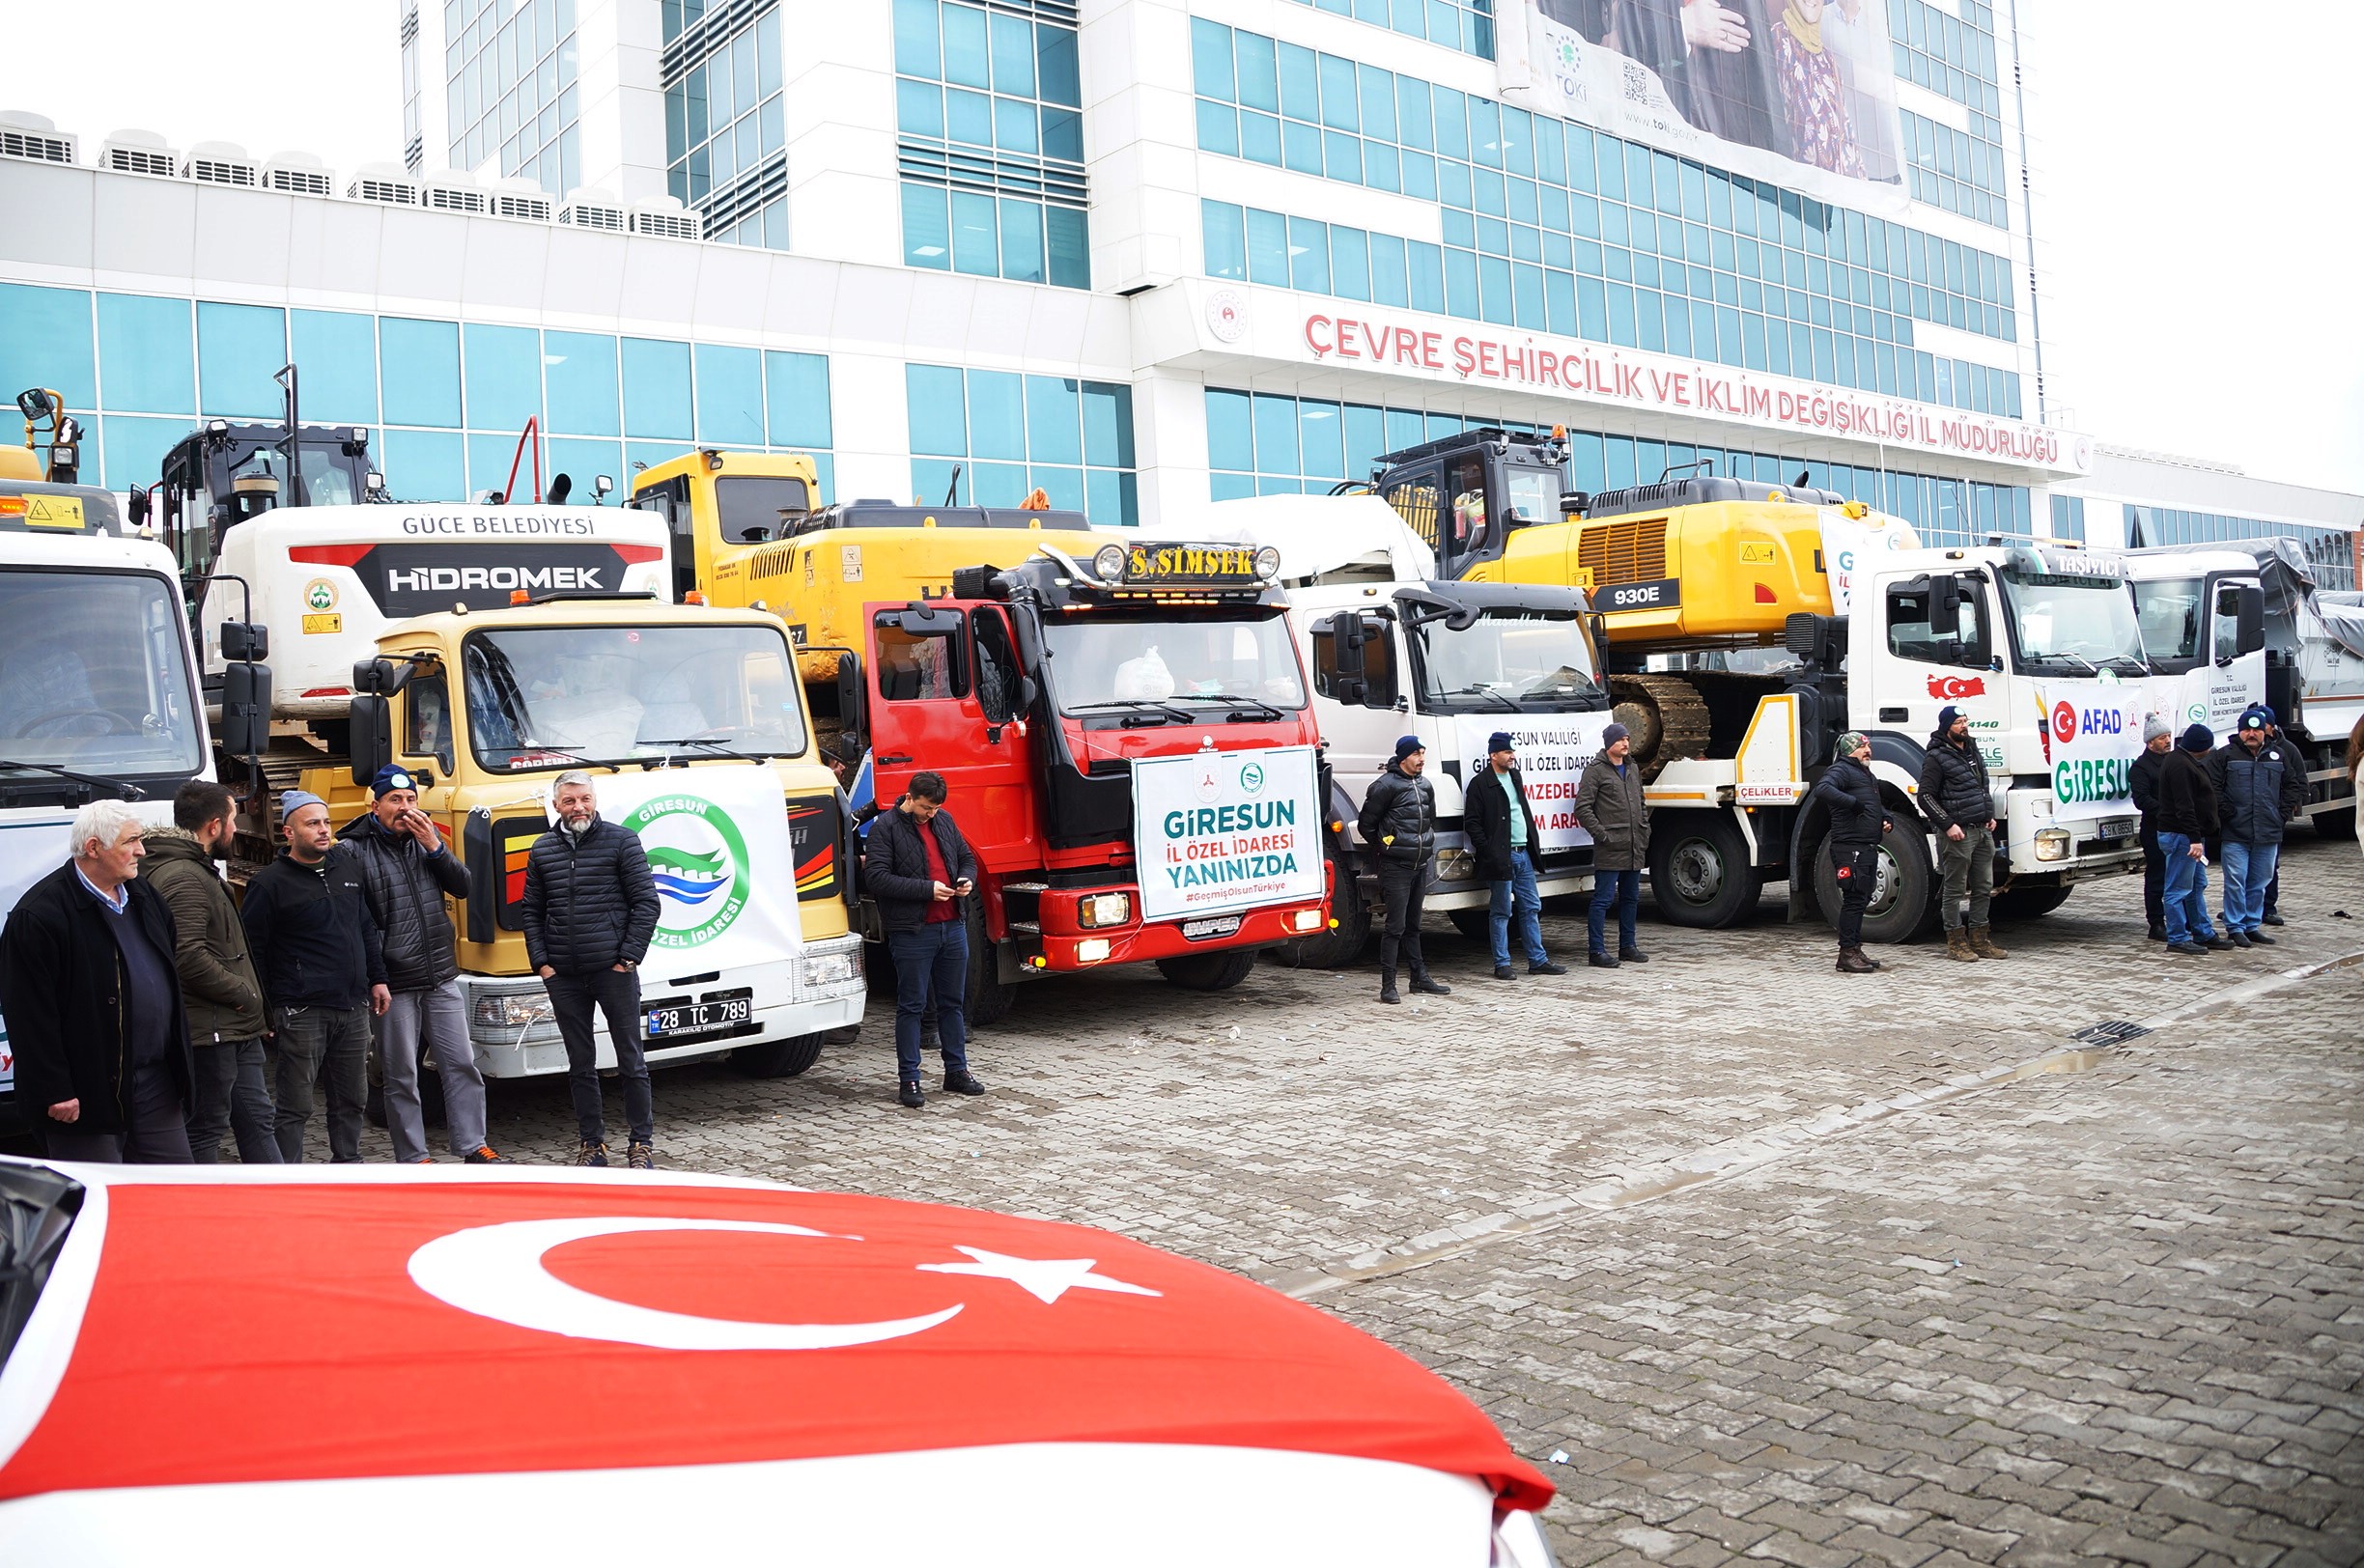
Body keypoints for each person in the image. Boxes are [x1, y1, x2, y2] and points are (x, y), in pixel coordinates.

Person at [0, 799, 195, 1162]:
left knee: (172, 1186)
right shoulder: (40, 915)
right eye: (130, 841)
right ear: (94, 848)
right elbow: (28, 1014)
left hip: (155, 1082)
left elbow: (166, 964)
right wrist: (55, 1089)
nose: (141, 850)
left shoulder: (144, 896)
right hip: (84, 1089)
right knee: (98, 1193)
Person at [341, 765, 502, 1165]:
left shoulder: (425, 841)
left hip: (440, 976)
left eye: (411, 799)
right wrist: (373, 975)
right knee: (401, 1075)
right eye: (395, 800)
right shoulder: (352, 849)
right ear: (375, 805)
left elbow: (463, 886)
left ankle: (472, 1144)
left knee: (461, 1063)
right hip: (393, 982)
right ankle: (413, 1156)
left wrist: (434, 846)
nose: (405, 807)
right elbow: (354, 922)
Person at [520, 770, 663, 1165]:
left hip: (612, 971)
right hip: (563, 975)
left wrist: (628, 958)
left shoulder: (622, 840)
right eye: (569, 800)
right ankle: (592, 1144)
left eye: (584, 798)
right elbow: (531, 910)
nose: (577, 807)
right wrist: (542, 963)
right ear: (556, 805)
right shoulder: (543, 848)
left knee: (631, 1060)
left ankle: (641, 1143)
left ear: (594, 800)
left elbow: (647, 903)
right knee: (580, 1064)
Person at [243, 791, 385, 1162]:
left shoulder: (347, 870)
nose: (324, 831)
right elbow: (254, 951)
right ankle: (288, 1177)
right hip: (302, 1010)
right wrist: (267, 1008)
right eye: (312, 824)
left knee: (352, 1099)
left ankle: (348, 1168)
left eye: (325, 822)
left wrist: (377, 978)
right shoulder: (269, 884)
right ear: (288, 833)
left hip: (353, 1007)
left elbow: (366, 927)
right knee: (295, 1105)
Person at [142, 781, 277, 1163]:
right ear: (215, 826)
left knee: (258, 1119)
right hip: (212, 1031)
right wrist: (244, 994)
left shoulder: (195, 869)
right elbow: (186, 956)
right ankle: (196, 1213)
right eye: (234, 820)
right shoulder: (185, 877)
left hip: (234, 1028)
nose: (236, 830)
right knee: (205, 1129)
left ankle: (278, 1208)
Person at [861, 770, 987, 1106]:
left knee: (953, 1004)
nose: (930, 813)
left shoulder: (944, 820)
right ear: (909, 797)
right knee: (912, 1006)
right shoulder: (884, 828)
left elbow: (966, 858)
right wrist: (926, 890)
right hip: (913, 931)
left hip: (952, 925)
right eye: (925, 807)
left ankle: (957, 1072)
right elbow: (876, 878)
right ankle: (910, 1080)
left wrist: (965, 879)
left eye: (934, 808)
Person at [1463, 732, 1562, 981]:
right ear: (1493, 755)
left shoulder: (1515, 776)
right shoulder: (1480, 784)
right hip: (1501, 857)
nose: (1512, 756)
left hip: (1523, 854)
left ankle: (1537, 960)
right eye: (1507, 752)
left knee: (1531, 908)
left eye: (1513, 752)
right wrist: (1489, 850)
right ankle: (1502, 963)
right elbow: (1473, 823)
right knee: (1501, 911)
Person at [1357, 737, 1448, 1005]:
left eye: (1423, 753)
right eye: (1417, 754)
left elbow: (1430, 819)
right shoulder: (1385, 786)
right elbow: (1366, 826)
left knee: (1414, 925)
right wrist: (1388, 845)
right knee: (1394, 927)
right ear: (1403, 757)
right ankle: (1388, 985)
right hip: (1395, 867)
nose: (1421, 758)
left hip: (1420, 864)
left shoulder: (1425, 785)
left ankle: (1419, 978)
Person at [2207, 708, 2304, 948]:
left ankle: (2252, 925)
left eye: (2256, 730)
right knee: (2236, 881)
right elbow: (2212, 788)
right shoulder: (2224, 756)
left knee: (2260, 881)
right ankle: (2235, 927)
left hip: (2268, 833)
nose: (2251, 734)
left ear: (2265, 732)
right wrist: (2228, 814)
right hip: (2235, 833)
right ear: (2239, 731)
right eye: (2247, 730)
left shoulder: (2279, 755)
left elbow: (2294, 786)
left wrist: (2280, 814)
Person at [1918, 705, 2004, 962]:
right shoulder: (1936, 756)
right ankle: (1956, 943)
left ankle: (1980, 940)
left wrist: (1989, 815)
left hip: (1981, 830)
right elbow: (1925, 796)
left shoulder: (1972, 749)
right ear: (1946, 727)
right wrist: (1947, 824)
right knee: (1954, 890)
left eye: (1966, 721)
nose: (1964, 726)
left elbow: (1981, 786)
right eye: (1958, 722)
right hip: (1958, 833)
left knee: (1983, 886)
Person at [1807, 732, 1890, 974]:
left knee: (1862, 898)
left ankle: (1855, 947)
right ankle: (1846, 953)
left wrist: (1886, 816)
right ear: (1849, 750)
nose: (1868, 750)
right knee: (1853, 900)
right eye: (1863, 747)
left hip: (1866, 846)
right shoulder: (1841, 769)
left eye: (1869, 747)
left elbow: (1871, 803)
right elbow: (1823, 790)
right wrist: (1852, 804)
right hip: (1849, 847)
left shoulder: (1865, 774)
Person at [1573, 722, 1650, 969]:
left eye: (1627, 738)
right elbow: (1582, 808)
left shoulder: (1632, 768)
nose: (1626, 744)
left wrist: (1644, 828)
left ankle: (1628, 946)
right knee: (1603, 900)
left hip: (1633, 845)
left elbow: (1641, 800)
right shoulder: (1595, 770)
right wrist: (1601, 834)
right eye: (1620, 740)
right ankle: (1596, 950)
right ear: (1609, 744)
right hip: (1610, 846)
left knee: (1631, 898)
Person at [2156, 725, 2232, 957]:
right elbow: (2184, 805)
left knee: (2197, 885)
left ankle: (2202, 932)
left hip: (2187, 836)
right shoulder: (2180, 765)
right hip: (2182, 837)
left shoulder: (2183, 760)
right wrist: (2194, 839)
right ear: (2202, 747)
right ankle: (2178, 937)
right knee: (2177, 889)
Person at [2127, 714, 2175, 942]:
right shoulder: (2141, 767)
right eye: (2162, 738)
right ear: (2150, 742)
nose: (2167, 741)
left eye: (2168, 736)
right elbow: (2142, 800)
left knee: (2177, 875)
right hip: (2155, 829)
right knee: (2157, 876)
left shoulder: (2174, 760)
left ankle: (2179, 918)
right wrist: (2169, 810)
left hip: (2177, 829)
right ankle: (2156, 922)